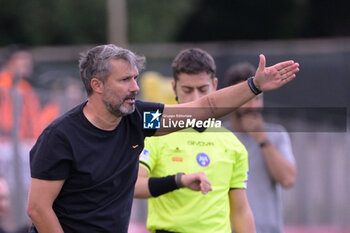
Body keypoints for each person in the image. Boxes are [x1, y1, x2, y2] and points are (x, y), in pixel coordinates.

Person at [27, 44, 299, 233]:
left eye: (135, 78)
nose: (135, 87)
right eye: (125, 80)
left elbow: (205, 110)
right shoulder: (61, 137)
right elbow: (38, 209)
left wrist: (255, 85)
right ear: (96, 85)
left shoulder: (139, 119)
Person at [134, 48, 256, 233]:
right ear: (174, 87)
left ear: (215, 86)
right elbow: (133, 186)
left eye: (202, 89)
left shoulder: (232, 144)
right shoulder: (156, 134)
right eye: (187, 90)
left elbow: (240, 211)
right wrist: (178, 181)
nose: (196, 99)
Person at [224, 62, 297, 233]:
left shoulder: (276, 135)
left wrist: (262, 139)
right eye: (246, 99)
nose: (253, 106)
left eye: (257, 98)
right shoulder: (218, 136)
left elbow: (288, 179)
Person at [0, 46, 59, 140]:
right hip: (7, 141)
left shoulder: (25, 86)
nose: (27, 62)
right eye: (21, 58)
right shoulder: (3, 83)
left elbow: (37, 120)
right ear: (9, 63)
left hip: (24, 141)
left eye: (28, 59)